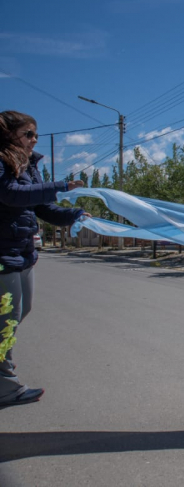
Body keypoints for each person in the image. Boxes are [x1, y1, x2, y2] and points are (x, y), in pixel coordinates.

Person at [0, 110, 88, 410]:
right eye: (28, 134)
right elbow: (12, 195)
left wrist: (74, 215)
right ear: (9, 134)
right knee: (6, 324)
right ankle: (6, 388)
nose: (34, 140)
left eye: (35, 134)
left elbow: (42, 207)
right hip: (2, 255)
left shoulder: (29, 165)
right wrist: (60, 185)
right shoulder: (2, 161)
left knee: (19, 314)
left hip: (22, 253)